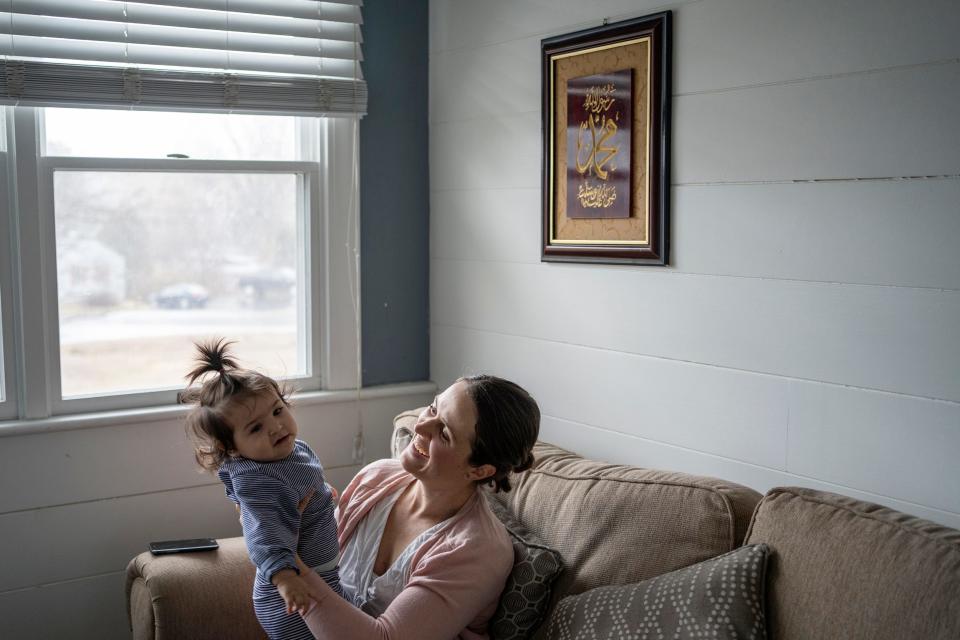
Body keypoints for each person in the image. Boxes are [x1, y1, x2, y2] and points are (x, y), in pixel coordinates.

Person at [297, 374, 541, 640]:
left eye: (444, 433)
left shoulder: (478, 549)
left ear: (480, 470)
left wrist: (284, 559)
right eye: (434, 408)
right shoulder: (375, 478)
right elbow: (319, 562)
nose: (422, 426)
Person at [181, 339, 343, 640]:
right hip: (292, 593)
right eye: (256, 428)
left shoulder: (289, 451)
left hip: (323, 577)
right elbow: (264, 534)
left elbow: (303, 482)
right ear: (231, 448)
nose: (276, 427)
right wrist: (284, 580)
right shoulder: (260, 481)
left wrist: (322, 494)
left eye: (277, 411)